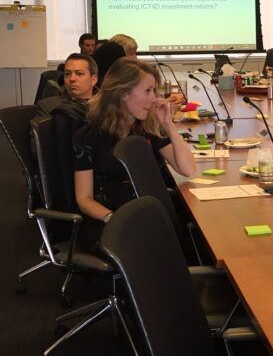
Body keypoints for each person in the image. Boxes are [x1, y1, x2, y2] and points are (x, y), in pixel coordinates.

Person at [73, 58, 195, 250]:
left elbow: (187, 169)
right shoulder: (88, 136)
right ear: (123, 93)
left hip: (147, 214)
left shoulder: (146, 128)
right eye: (147, 91)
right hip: (109, 219)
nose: (154, 98)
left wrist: (169, 126)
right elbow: (84, 199)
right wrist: (113, 219)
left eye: (154, 90)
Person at [34, 53, 98, 119]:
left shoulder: (104, 108)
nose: (72, 79)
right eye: (67, 74)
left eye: (79, 73)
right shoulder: (48, 106)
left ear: (93, 80)